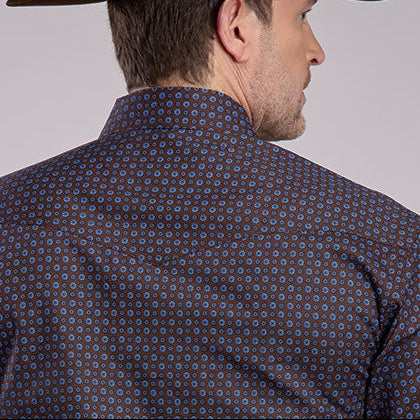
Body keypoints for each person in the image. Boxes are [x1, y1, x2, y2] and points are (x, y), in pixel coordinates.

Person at [1, 0, 419, 418]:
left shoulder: (12, 217)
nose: (316, 51)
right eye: (302, 16)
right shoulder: (389, 243)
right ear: (235, 26)